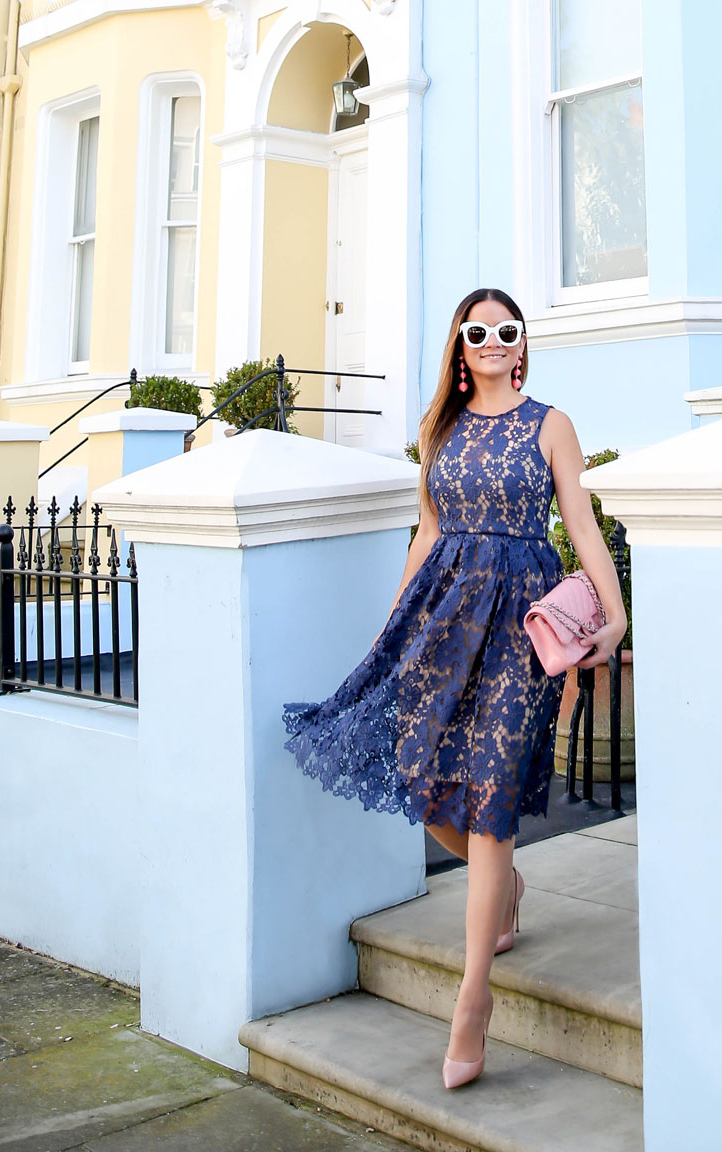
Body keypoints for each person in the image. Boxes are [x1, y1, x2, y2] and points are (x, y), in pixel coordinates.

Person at [282, 288, 627, 1088]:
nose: (495, 342)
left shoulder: (551, 425)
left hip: (516, 624)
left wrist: (613, 614)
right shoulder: (440, 431)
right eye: (480, 332)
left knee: (491, 793)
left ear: (522, 344)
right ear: (459, 347)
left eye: (508, 331)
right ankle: (502, 885)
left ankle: (474, 999)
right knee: (428, 783)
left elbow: (579, 522)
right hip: (442, 619)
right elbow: (428, 535)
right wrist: (389, 629)